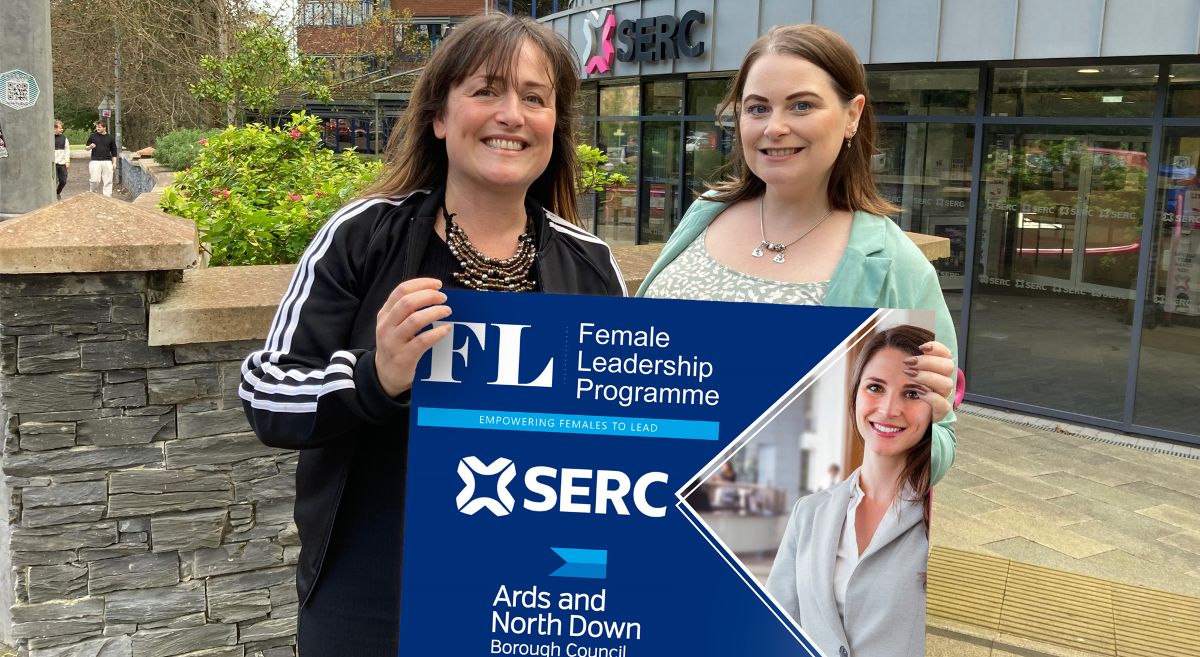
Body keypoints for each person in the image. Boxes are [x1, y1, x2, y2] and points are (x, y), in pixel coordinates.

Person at [238, 14, 624, 657]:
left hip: (535, 601)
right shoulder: (363, 235)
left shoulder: (591, 265)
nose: (512, 114)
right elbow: (266, 396)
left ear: (555, 127)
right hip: (372, 602)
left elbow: (620, 436)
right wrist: (375, 375)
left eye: (534, 98)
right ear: (440, 115)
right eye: (486, 92)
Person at [638, 24, 957, 486]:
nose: (775, 127)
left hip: (771, 539)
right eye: (757, 108)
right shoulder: (704, 214)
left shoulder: (895, 266)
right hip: (647, 503)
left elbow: (938, 447)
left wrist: (921, 422)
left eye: (802, 105)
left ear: (852, 115)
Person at [766, 325, 933, 657]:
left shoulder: (935, 517)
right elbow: (775, 625)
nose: (888, 409)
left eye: (912, 393)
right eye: (875, 387)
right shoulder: (809, 512)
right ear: (855, 394)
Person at [85, 121, 117, 197]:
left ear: (104, 127)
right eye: (96, 127)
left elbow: (114, 151)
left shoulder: (110, 138)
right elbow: (86, 148)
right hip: (95, 161)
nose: (97, 128)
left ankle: (107, 197)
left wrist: (114, 163)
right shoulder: (93, 136)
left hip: (107, 161)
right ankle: (93, 194)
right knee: (95, 180)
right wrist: (90, 147)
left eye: (99, 127)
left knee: (108, 181)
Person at [53, 120, 70, 200]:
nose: (61, 129)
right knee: (53, 181)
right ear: (54, 128)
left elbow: (67, 150)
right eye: (60, 128)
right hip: (53, 163)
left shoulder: (64, 138)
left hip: (62, 163)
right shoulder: (49, 138)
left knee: (63, 180)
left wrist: (67, 161)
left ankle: (57, 193)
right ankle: (53, 196)